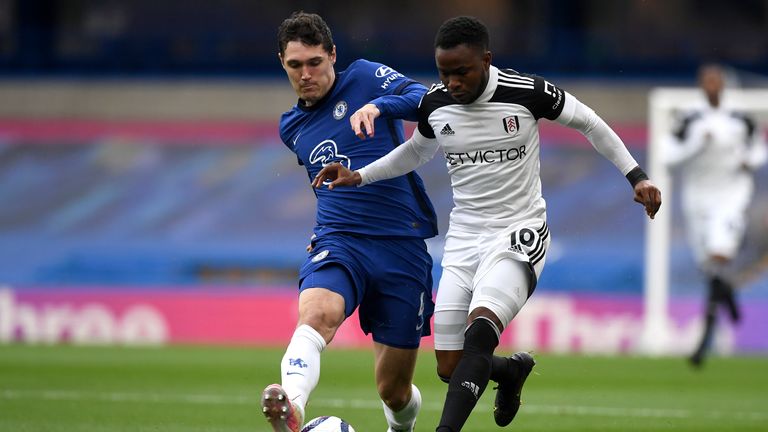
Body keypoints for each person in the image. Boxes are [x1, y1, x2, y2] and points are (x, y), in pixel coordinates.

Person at [313, 16, 662, 431]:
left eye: (462, 72)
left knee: (480, 332)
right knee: (449, 364)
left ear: (487, 60)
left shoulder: (526, 92)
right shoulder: (437, 103)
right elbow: (415, 152)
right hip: (464, 237)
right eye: (445, 73)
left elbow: (588, 121)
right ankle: (510, 373)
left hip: (519, 231)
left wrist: (636, 175)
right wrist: (360, 175)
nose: (453, 82)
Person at [262, 11, 439, 432]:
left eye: (315, 63)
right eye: (295, 65)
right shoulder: (291, 127)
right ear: (283, 64)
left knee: (393, 391)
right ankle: (293, 405)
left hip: (401, 245)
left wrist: (379, 106)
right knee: (317, 315)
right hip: (340, 241)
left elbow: (425, 98)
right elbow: (321, 181)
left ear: (333, 56)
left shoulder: (363, 77)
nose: (306, 74)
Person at [665, 64, 767, 367]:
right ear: (700, 84)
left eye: (715, 79)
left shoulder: (741, 116)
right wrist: (697, 144)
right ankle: (728, 292)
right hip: (697, 198)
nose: (711, 84)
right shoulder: (688, 117)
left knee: (720, 254)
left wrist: (751, 160)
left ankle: (704, 339)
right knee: (710, 267)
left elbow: (759, 149)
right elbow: (667, 155)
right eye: (706, 80)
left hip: (732, 195)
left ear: (723, 83)